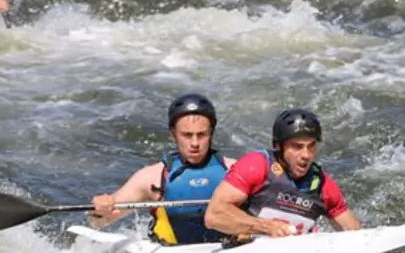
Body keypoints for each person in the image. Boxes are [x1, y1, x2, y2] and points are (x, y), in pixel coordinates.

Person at [88, 93, 236, 245]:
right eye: (187, 135)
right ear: (173, 135)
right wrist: (99, 210)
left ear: (211, 132)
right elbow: (99, 222)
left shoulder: (234, 169)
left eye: (202, 135)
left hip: (229, 251)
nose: (195, 143)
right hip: (172, 251)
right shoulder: (151, 177)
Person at [203, 108, 362, 241]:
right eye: (297, 146)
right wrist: (266, 227)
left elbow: (357, 235)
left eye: (311, 146)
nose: (306, 155)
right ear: (278, 146)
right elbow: (214, 216)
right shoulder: (257, 165)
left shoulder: (324, 186)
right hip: (245, 251)